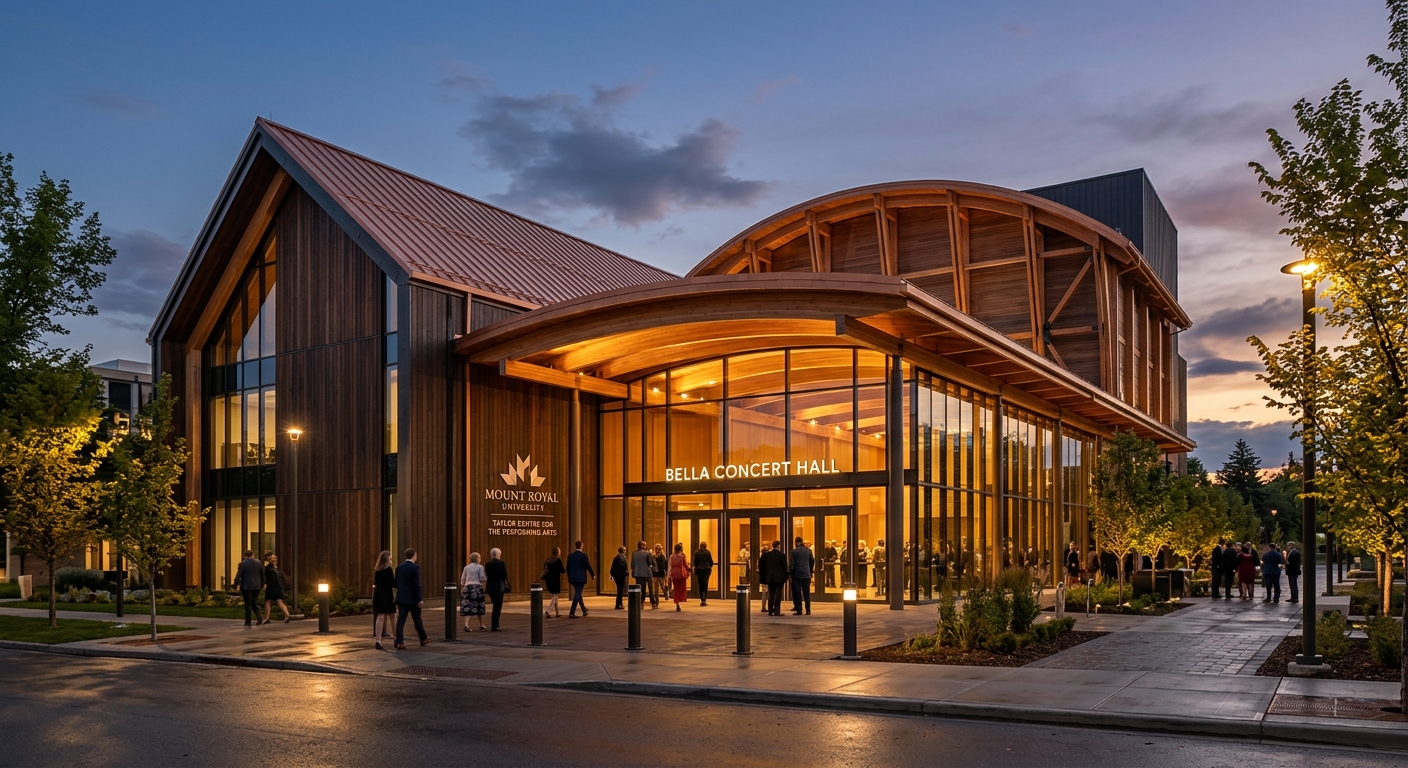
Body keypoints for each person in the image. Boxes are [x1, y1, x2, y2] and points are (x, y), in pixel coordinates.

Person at [394, 548, 429, 649]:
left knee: (401, 621)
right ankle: (423, 638)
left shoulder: (399, 568)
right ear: (414, 556)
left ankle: (400, 642)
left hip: (401, 598)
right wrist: (419, 599)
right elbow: (416, 585)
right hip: (413, 599)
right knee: (417, 619)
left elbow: (397, 582)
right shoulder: (415, 568)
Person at [232, 550, 264, 627]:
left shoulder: (243, 563)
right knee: (254, 602)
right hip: (257, 586)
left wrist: (235, 584)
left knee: (248, 604)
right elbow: (262, 574)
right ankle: (259, 618)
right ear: (253, 555)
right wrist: (262, 584)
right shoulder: (259, 563)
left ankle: (248, 621)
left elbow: (239, 575)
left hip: (246, 586)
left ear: (245, 555)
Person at [372, 550, 396, 650]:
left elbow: (376, 583)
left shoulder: (377, 570)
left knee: (380, 616)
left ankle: (378, 640)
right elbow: (392, 583)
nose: (391, 560)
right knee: (393, 616)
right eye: (390, 559)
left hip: (378, 595)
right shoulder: (389, 570)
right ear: (386, 560)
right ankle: (397, 638)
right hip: (387, 595)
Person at [566, 540, 595, 618]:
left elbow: (568, 567)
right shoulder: (583, 556)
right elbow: (588, 566)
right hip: (580, 578)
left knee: (578, 593)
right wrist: (593, 574)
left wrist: (569, 576)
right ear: (581, 546)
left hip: (572, 578)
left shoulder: (570, 556)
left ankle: (584, 610)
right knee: (577, 594)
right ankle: (572, 612)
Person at [260, 553, 291, 625]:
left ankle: (266, 618)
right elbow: (284, 579)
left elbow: (264, 577)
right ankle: (287, 614)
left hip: (271, 587)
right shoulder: (279, 570)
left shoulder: (267, 569)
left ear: (269, 560)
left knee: (268, 601)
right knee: (280, 601)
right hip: (279, 587)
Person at [760, 540, 788, 616]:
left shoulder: (767, 555)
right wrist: (786, 576)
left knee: (771, 594)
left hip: (770, 577)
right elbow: (785, 567)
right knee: (778, 594)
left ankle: (770, 610)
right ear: (778, 546)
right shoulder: (782, 555)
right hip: (779, 578)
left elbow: (763, 566)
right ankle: (777, 611)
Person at [460, 552, 487, 631]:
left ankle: (466, 625)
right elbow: (482, 578)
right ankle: (481, 624)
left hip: (467, 588)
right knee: (479, 606)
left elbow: (462, 580)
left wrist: (463, 586)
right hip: (477, 588)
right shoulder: (480, 567)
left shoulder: (466, 567)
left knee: (468, 606)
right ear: (478, 559)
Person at [485, 548, 509, 631]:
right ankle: (495, 625)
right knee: (498, 606)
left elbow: (487, 575)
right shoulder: (501, 563)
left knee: (495, 604)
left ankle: (494, 625)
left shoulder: (488, 564)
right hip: (498, 586)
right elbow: (504, 575)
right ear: (498, 554)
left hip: (490, 586)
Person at [789, 536, 813, 615]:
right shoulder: (808, 551)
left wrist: (790, 574)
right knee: (806, 593)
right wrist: (810, 571)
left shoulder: (794, 552)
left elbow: (792, 564)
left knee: (797, 592)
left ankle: (799, 610)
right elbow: (812, 562)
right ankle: (808, 610)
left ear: (796, 542)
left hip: (797, 575)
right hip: (806, 574)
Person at [632, 541, 657, 608]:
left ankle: (641, 603)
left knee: (641, 589)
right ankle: (653, 603)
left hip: (638, 574)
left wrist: (634, 572)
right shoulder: (647, 553)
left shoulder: (634, 554)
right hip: (647, 573)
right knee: (650, 588)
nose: (646, 547)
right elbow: (650, 563)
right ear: (642, 546)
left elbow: (632, 564)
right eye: (645, 545)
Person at [542, 547, 566, 618]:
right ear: (557, 552)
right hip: (555, 580)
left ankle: (557, 612)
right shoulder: (558, 560)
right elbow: (562, 570)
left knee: (554, 596)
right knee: (555, 596)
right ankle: (548, 610)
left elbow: (544, 569)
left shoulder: (548, 560)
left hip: (548, 580)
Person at [692, 541, 715, 606]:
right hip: (706, 570)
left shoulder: (697, 553)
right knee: (705, 584)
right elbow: (711, 562)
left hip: (699, 570)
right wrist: (709, 566)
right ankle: (704, 599)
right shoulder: (707, 552)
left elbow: (695, 562)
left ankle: (702, 599)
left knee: (700, 585)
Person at [668, 543, 689, 611]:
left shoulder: (672, 556)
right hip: (681, 574)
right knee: (682, 588)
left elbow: (670, 565)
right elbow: (685, 564)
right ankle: (681, 598)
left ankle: (677, 602)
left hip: (674, 574)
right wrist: (689, 569)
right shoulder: (682, 555)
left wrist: (669, 575)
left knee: (676, 588)